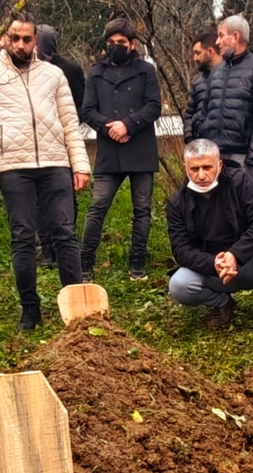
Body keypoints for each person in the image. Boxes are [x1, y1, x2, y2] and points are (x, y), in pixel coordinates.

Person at [0, 12, 91, 331]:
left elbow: (70, 123)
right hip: (14, 167)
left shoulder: (53, 75)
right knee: (23, 238)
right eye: (15, 38)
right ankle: (30, 310)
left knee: (65, 233)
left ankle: (76, 306)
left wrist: (79, 164)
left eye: (27, 38)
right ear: (3, 40)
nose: (21, 44)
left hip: (55, 164)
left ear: (35, 40)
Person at [168, 139, 253, 342]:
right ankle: (222, 303)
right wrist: (213, 264)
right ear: (185, 168)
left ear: (219, 165)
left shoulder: (240, 182)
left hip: (250, 263)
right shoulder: (177, 203)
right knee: (179, 285)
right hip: (214, 272)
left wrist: (235, 255)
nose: (201, 175)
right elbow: (181, 249)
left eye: (207, 167)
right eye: (194, 169)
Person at [79, 18, 162, 282]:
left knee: (142, 209)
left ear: (132, 44)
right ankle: (85, 265)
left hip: (140, 148)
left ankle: (137, 264)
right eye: (111, 43)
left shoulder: (146, 71)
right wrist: (109, 127)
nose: (116, 47)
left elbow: (154, 106)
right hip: (109, 150)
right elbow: (88, 110)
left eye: (121, 43)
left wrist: (128, 124)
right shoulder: (95, 73)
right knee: (97, 206)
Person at [34, 24, 86, 269]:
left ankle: (65, 242)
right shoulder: (26, 70)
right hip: (33, 144)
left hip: (62, 141)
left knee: (64, 195)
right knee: (38, 197)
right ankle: (46, 246)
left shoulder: (69, 70)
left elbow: (79, 108)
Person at [196, 15, 253, 173]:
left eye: (221, 36)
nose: (217, 42)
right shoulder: (216, 71)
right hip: (213, 155)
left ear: (235, 36)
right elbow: (205, 112)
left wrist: (252, 160)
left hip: (241, 157)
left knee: (240, 199)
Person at [183, 32, 221, 143]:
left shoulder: (232, 76)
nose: (194, 58)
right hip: (202, 144)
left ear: (210, 52)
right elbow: (189, 113)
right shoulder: (197, 81)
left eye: (198, 53)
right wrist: (190, 138)